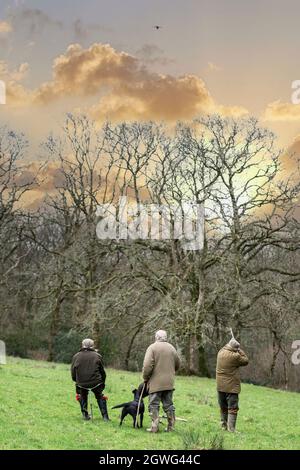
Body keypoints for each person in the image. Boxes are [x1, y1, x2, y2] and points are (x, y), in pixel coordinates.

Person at [142, 330, 180, 433]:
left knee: (153, 404)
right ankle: (171, 427)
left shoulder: (152, 348)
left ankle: (154, 427)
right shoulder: (172, 348)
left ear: (156, 337)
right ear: (166, 337)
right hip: (169, 382)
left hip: (155, 382)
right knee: (169, 405)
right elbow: (178, 364)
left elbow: (147, 366)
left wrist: (145, 377)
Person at [71, 338, 109, 421]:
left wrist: (76, 381)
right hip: (96, 382)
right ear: (92, 346)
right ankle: (105, 417)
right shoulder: (98, 356)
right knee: (99, 396)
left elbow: (73, 372)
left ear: (82, 345)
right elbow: (102, 372)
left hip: (81, 383)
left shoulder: (76, 356)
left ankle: (85, 415)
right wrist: (102, 382)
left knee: (82, 396)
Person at [216, 338, 249, 432]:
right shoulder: (235, 356)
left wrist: (232, 344)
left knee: (223, 407)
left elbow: (226, 346)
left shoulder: (220, 352)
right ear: (235, 349)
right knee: (233, 408)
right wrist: (240, 350)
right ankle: (232, 429)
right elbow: (246, 361)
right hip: (231, 387)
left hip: (220, 386)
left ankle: (223, 426)